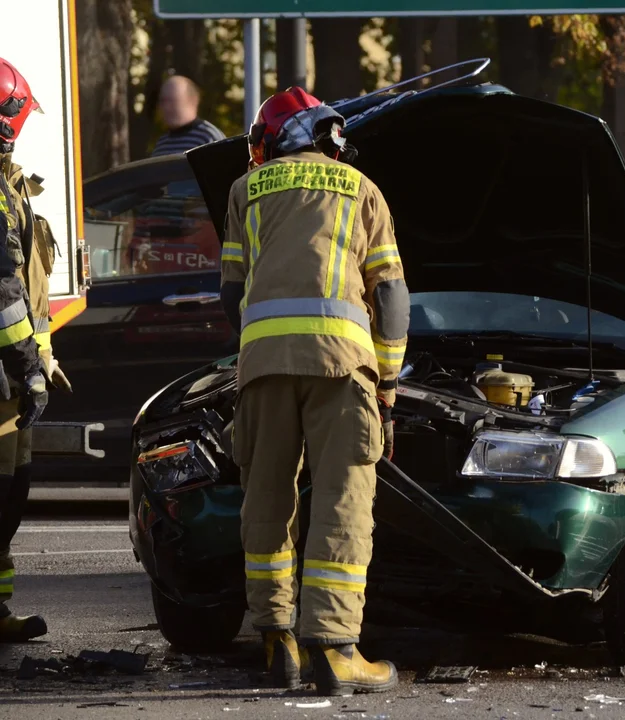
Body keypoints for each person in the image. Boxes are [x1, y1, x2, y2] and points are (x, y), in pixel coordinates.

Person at [220, 87, 409, 696]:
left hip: (265, 367)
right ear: (324, 133)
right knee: (342, 499)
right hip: (343, 366)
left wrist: (262, 345)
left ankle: (277, 641)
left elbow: (231, 291)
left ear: (274, 138)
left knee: (266, 498)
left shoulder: (243, 191)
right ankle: (335, 649)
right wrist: (388, 382)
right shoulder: (362, 188)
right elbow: (390, 298)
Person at [0, 57, 60, 643]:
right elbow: (3, 293)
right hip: (4, 377)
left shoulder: (8, 185)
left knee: (9, 496)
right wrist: (28, 367)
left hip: (10, 380)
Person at [150, 75, 225, 157]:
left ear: (192, 101)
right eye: (163, 101)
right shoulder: (161, 144)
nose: (166, 107)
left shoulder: (210, 138)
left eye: (172, 101)